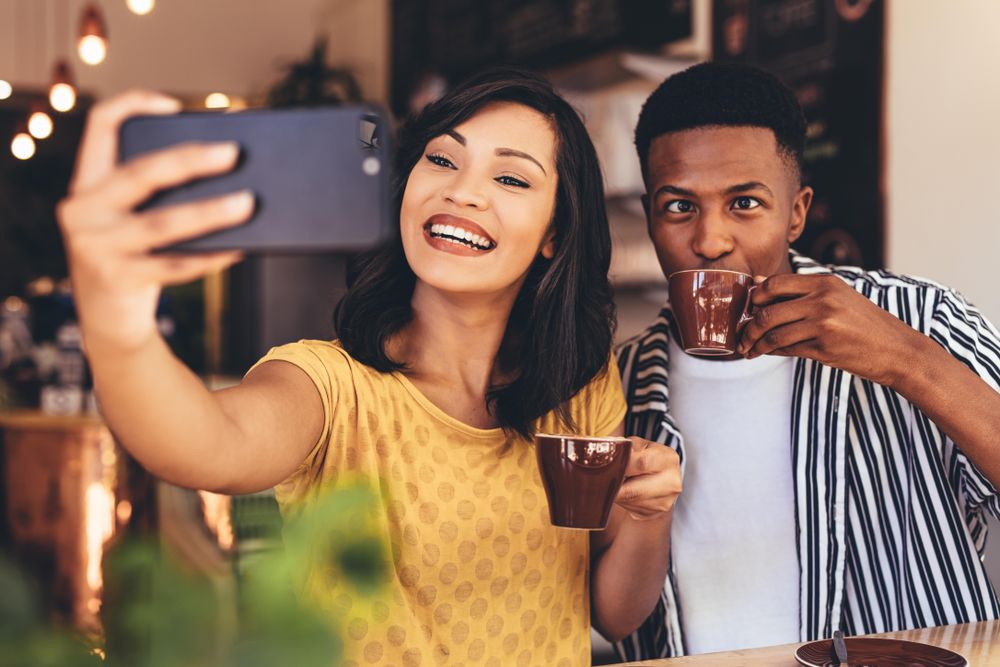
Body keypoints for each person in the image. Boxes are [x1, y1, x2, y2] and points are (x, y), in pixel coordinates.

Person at [56, 68, 682, 665]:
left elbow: (615, 615)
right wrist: (117, 319)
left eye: (512, 180)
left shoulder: (579, 385)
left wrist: (649, 518)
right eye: (441, 159)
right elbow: (204, 445)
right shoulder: (330, 386)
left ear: (554, 233)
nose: (462, 191)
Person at [614, 62, 1000, 660]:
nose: (711, 240)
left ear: (796, 213)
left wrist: (907, 361)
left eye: (744, 202)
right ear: (650, 217)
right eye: (679, 207)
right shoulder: (621, 383)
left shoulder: (918, 318)